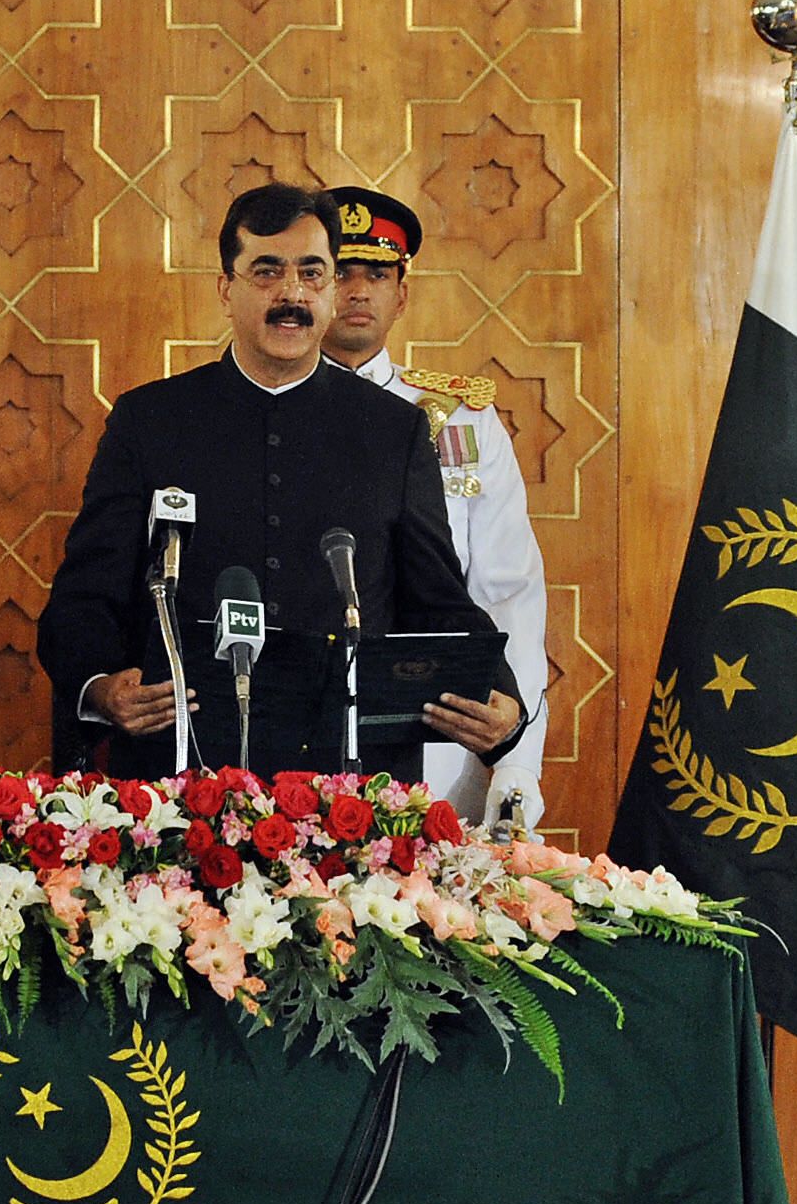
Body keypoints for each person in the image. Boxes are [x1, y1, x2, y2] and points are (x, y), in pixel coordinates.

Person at [39, 183, 524, 776]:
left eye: (313, 273)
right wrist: (100, 687)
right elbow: (86, 595)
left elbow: (437, 598)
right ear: (227, 289)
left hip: (349, 775)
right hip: (182, 766)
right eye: (267, 271)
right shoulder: (150, 420)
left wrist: (504, 701)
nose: (291, 293)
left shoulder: (395, 431)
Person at [317, 186, 551, 826]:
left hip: (433, 749)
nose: (357, 290)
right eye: (339, 271)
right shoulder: (245, 409)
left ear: (403, 292)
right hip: (281, 738)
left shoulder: (463, 423)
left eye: (378, 273)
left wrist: (516, 757)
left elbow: (509, 599)